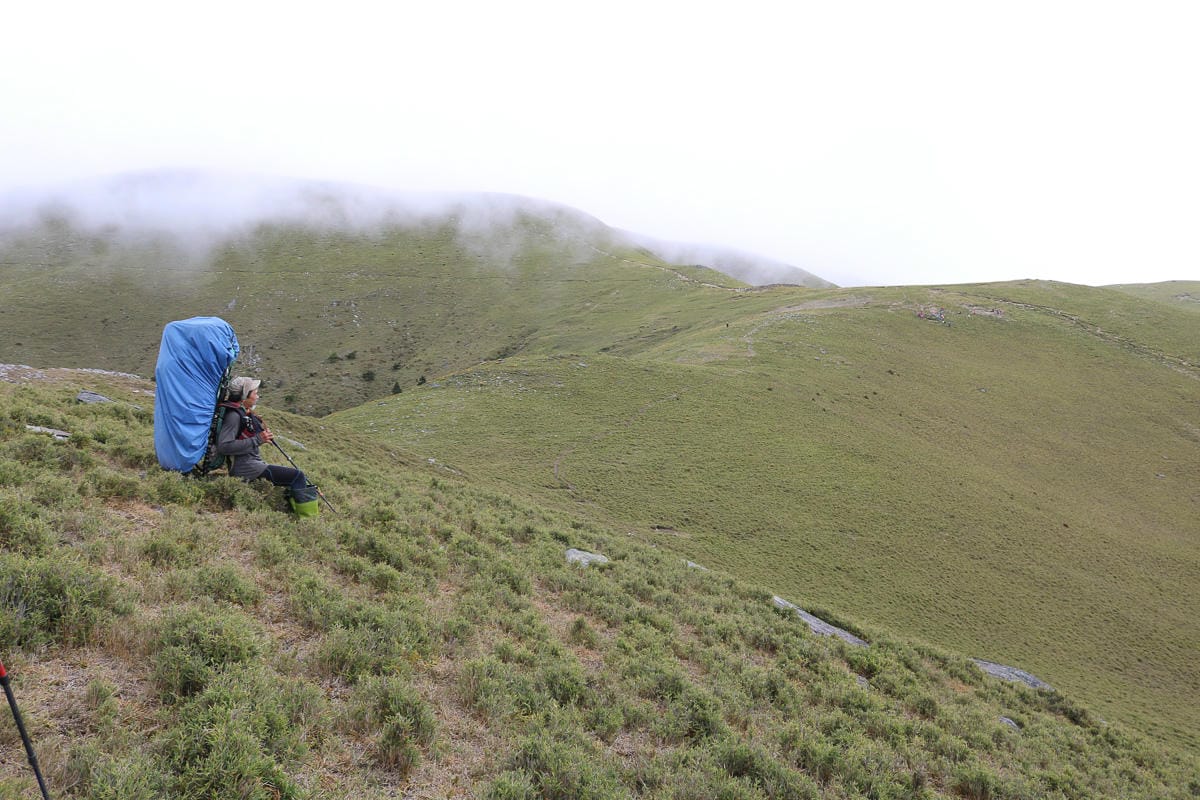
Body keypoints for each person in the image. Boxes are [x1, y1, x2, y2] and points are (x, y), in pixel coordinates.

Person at [216, 376, 315, 513]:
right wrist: (257, 440)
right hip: (247, 468)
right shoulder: (234, 416)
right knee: (297, 476)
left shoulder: (243, 412)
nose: (257, 396)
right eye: (255, 393)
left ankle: (292, 511)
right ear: (244, 396)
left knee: (290, 479)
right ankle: (307, 518)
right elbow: (224, 446)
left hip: (251, 465)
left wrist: (259, 437)